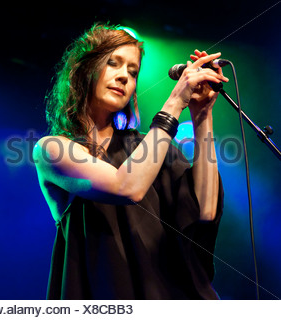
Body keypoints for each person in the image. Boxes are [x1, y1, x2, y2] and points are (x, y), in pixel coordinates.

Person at [33, 23, 228, 299]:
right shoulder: (53, 149)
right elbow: (127, 186)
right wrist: (174, 104)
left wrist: (201, 116)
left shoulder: (149, 145)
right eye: (113, 63)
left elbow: (204, 212)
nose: (124, 76)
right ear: (85, 70)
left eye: (133, 71)